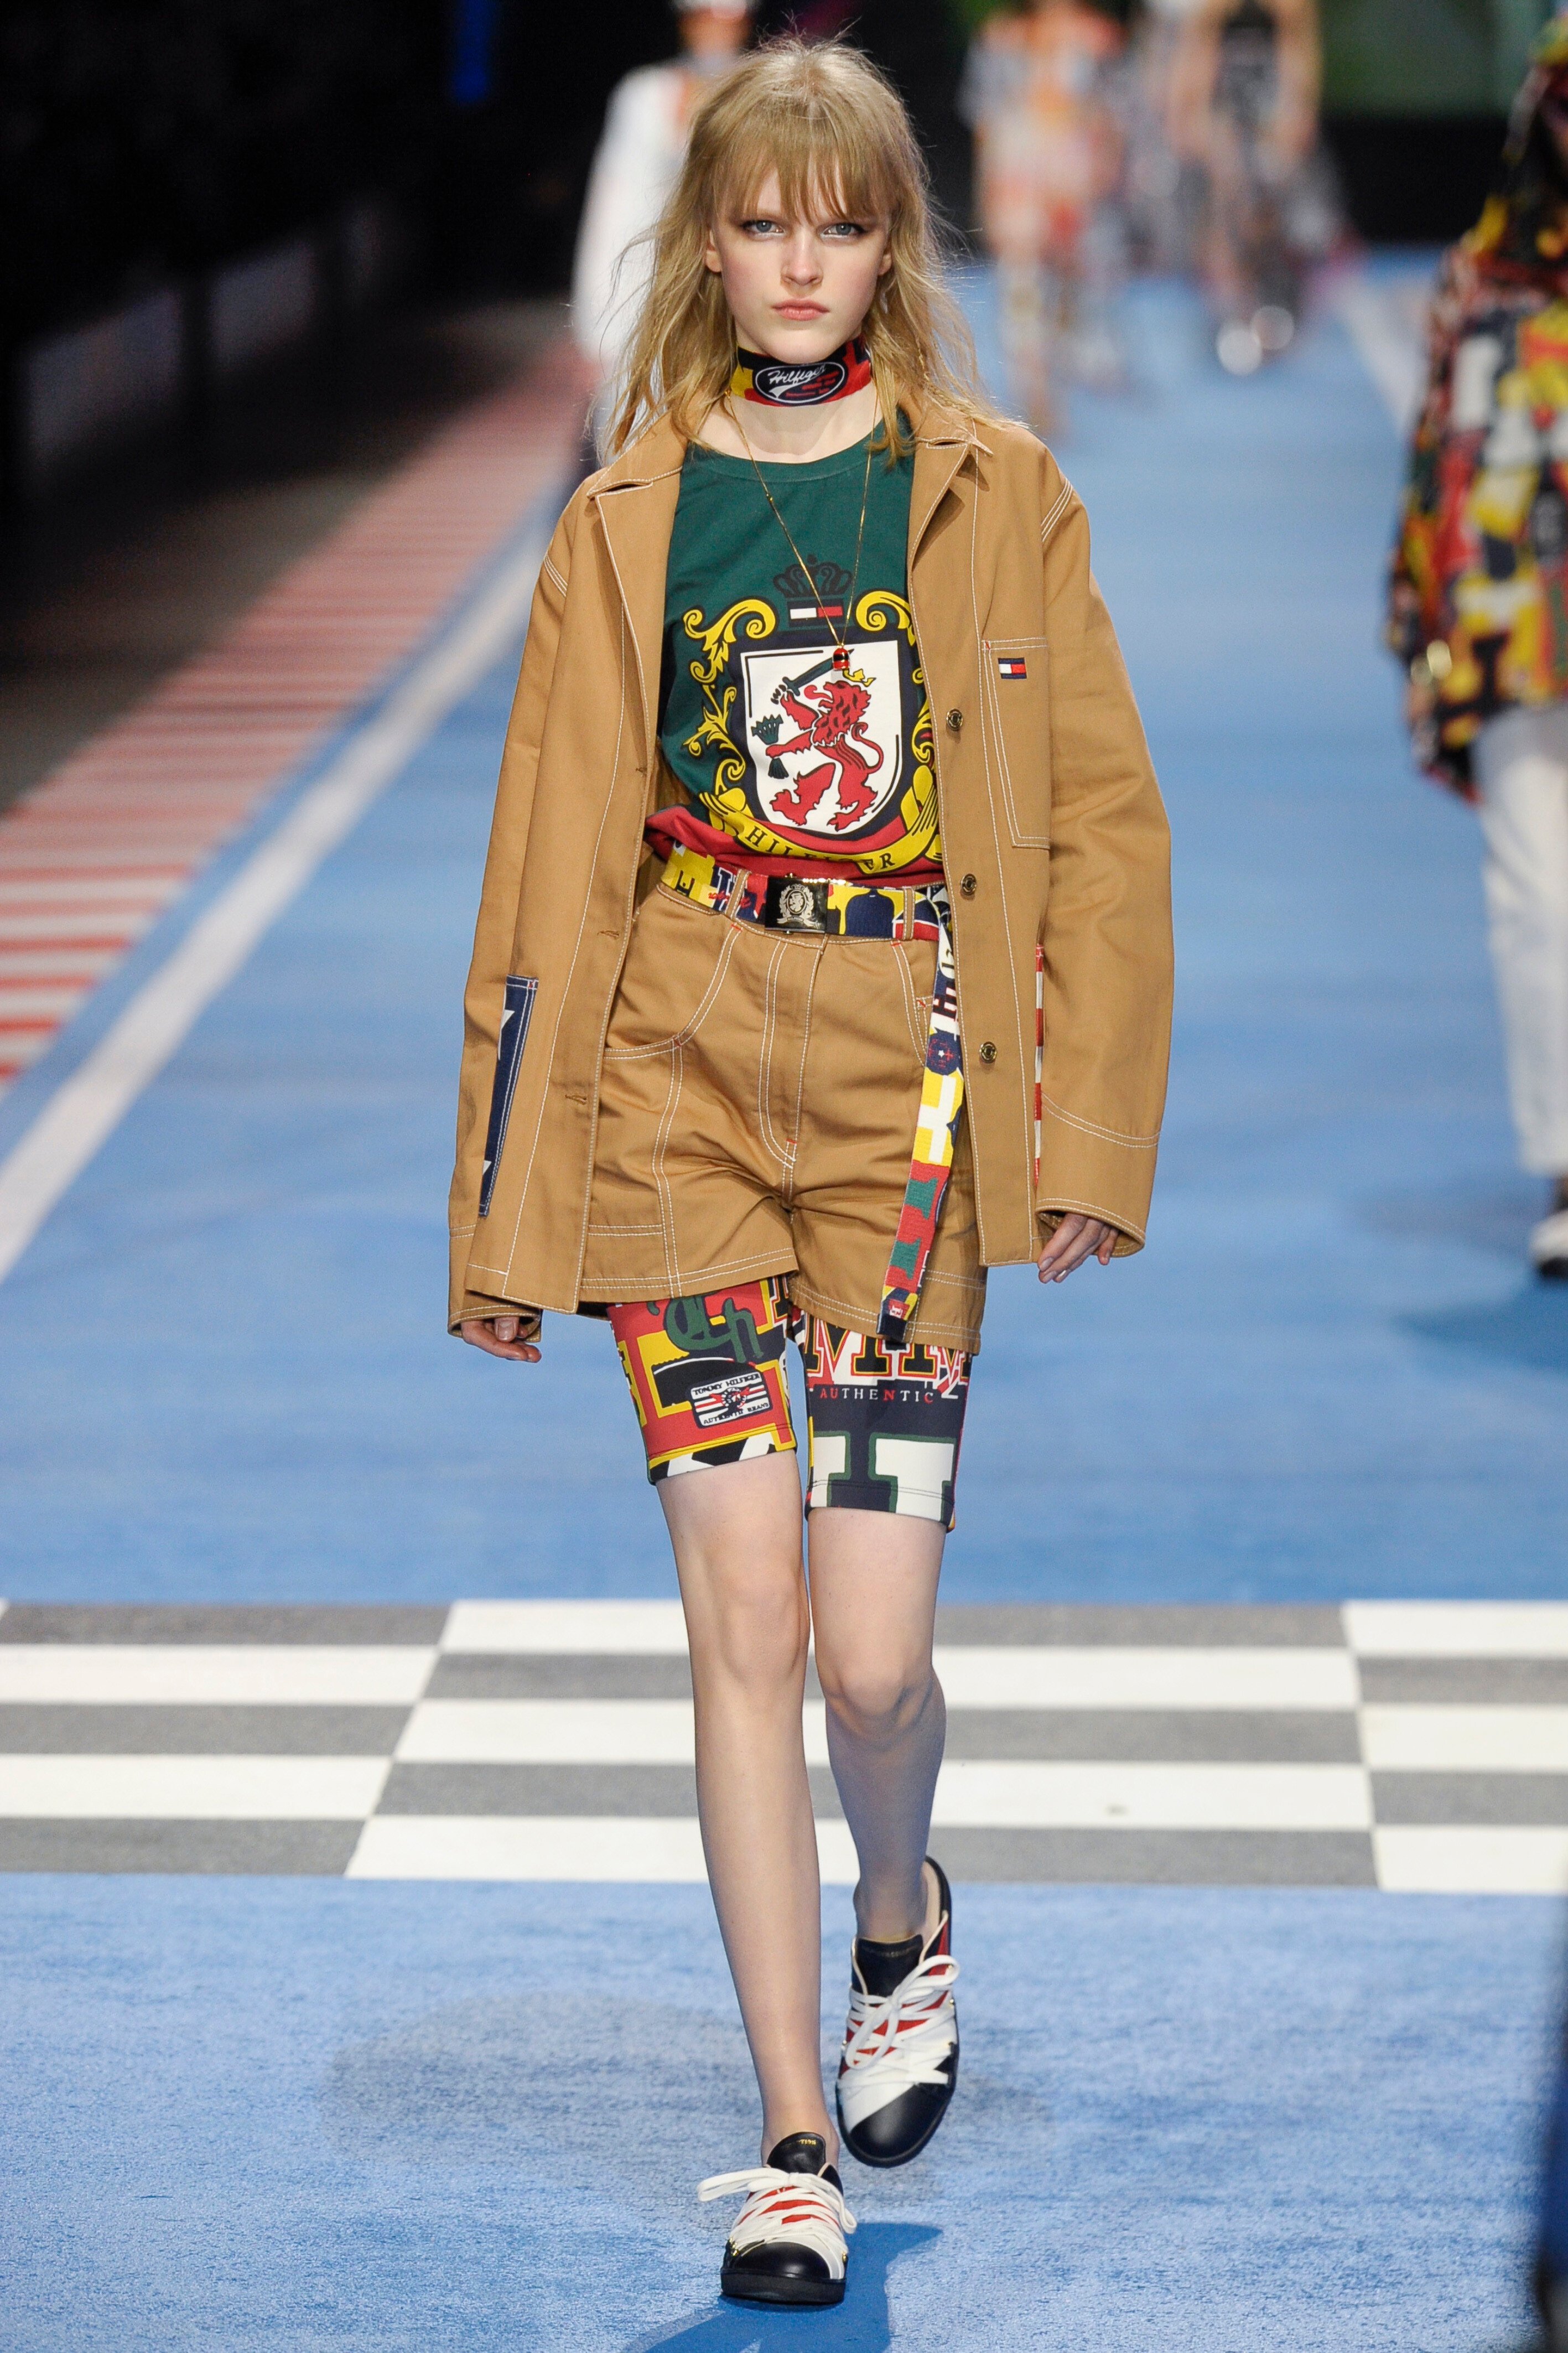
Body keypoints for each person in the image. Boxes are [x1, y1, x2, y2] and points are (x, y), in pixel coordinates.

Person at [450, 38, 1172, 2307]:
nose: (793, 261)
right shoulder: (620, 517)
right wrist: (504, 1199)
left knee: (872, 1662)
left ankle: (901, 1912)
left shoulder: (996, 492)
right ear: (706, 244)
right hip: (674, 1074)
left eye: (835, 224)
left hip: (907, 1105)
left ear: (888, 247)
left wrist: (1087, 1124)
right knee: (742, 1622)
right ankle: (785, 2136)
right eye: (758, 222)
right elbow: (542, 869)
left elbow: (1103, 828)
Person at [1389, 19, 1568, 1282]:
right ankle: (1564, 1165)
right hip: (1511, 635)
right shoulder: (1478, 279)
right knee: (1535, 897)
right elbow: (1431, 460)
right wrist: (1419, 618)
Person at [572, 0, 756, 407]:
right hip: (648, 295)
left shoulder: (766, 94)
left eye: (729, 16)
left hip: (734, 298)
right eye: (705, 15)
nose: (716, 27)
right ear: (686, 21)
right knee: (639, 420)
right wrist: (594, 326)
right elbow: (612, 211)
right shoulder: (644, 95)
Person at [960, 0, 1129, 432]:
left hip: (1078, 180)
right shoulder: (1001, 40)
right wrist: (989, 191)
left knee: (1069, 289)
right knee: (1021, 276)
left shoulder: (1099, 41)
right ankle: (1033, 386)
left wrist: (1097, 185)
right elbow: (988, 124)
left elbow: (1114, 123)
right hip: (1018, 172)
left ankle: (1062, 355)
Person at [1165, 0, 1336, 371]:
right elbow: (1199, 45)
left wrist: (1299, 110)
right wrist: (1187, 110)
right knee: (1225, 207)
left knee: (1269, 212)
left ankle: (1270, 302)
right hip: (1225, 97)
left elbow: (1299, 44)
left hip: (1272, 95)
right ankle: (1231, 312)